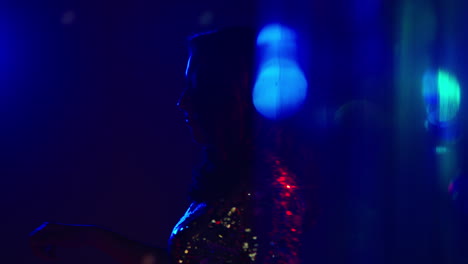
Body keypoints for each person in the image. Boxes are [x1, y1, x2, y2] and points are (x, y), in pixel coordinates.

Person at [29, 27, 305, 264]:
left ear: (230, 94)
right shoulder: (233, 181)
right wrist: (91, 237)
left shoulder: (271, 191)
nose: (182, 102)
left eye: (195, 87)